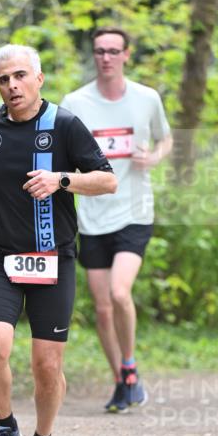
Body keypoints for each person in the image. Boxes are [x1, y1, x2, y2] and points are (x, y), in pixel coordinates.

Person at [0, 44, 116, 436]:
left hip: (53, 258)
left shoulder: (63, 126)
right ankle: (6, 430)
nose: (12, 86)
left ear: (38, 79)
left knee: (47, 365)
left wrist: (61, 179)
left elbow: (107, 180)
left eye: (20, 76)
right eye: (4, 79)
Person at [61, 27, 172, 413]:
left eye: (113, 51)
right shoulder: (75, 102)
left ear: (126, 55)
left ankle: (130, 364)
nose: (106, 58)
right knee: (102, 308)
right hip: (92, 217)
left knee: (119, 293)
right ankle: (122, 382)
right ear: (93, 56)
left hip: (134, 212)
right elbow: (62, 153)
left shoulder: (146, 98)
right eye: (99, 51)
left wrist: (154, 158)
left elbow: (166, 139)